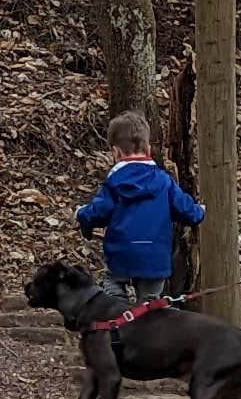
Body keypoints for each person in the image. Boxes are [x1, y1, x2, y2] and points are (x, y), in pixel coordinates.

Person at [72, 109, 202, 305]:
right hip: (155, 256)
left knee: (113, 285)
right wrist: (200, 211)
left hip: (121, 253)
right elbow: (186, 210)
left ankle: (117, 318)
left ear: (115, 152)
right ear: (149, 149)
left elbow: (98, 212)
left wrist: (81, 213)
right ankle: (147, 329)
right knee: (150, 303)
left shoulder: (114, 182)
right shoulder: (164, 182)